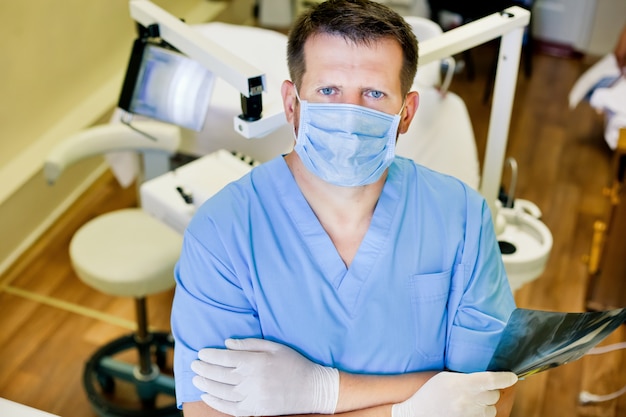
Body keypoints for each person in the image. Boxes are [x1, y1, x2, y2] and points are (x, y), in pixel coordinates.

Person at [171, 1, 518, 416]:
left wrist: (325, 392)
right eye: (328, 91)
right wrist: (409, 408)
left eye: (373, 94)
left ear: (405, 113)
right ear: (292, 102)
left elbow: (493, 393)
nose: (349, 114)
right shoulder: (223, 233)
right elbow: (206, 414)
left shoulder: (460, 217)